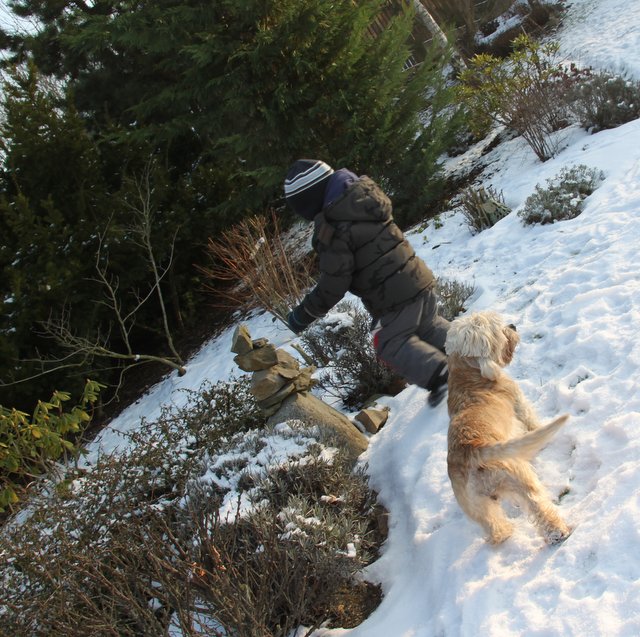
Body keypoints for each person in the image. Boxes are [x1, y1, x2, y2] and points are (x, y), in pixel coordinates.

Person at [284, 159, 450, 407]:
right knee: (428, 327)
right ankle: (479, 349)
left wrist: (304, 313)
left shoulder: (333, 227)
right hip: (417, 277)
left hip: (393, 296)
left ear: (309, 201)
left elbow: (334, 283)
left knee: (388, 342)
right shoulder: (362, 198)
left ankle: (441, 375)